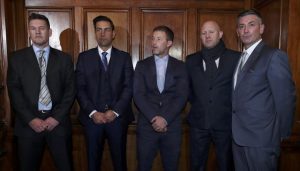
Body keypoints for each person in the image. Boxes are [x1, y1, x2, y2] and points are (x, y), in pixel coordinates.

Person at [7, 13, 75, 171]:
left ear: (50, 32)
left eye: (42, 28)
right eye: (33, 28)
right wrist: (31, 119)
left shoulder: (64, 59)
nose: (37, 32)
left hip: (58, 126)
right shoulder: (16, 59)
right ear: (29, 32)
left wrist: (55, 118)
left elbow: (70, 91)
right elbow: (14, 92)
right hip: (27, 127)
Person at [232, 9, 296, 170]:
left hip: (262, 141)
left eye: (251, 25)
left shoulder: (273, 56)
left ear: (261, 28)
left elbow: (286, 99)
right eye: (241, 26)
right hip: (238, 138)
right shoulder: (240, 58)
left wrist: (281, 135)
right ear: (237, 32)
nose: (246, 30)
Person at [76, 15, 134, 171]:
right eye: (99, 30)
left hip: (118, 120)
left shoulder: (124, 57)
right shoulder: (83, 58)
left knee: (120, 163)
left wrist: (115, 111)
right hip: (92, 120)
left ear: (113, 33)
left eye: (107, 29)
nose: (103, 33)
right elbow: (79, 88)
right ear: (95, 33)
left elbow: (129, 87)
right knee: (92, 164)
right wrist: (93, 112)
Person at [186, 20, 240, 171]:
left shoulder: (236, 58)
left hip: (226, 124)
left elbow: (241, 91)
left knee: (226, 165)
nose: (207, 36)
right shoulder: (191, 60)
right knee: (196, 165)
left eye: (211, 32)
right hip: (198, 123)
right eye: (203, 33)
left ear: (220, 34)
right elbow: (188, 90)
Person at [134, 25, 189, 171]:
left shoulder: (181, 67)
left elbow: (182, 96)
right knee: (143, 166)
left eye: (159, 39)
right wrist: (154, 118)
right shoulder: (141, 65)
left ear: (169, 43)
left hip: (171, 127)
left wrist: (165, 119)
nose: (154, 42)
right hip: (147, 126)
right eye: (153, 38)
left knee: (171, 166)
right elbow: (138, 94)